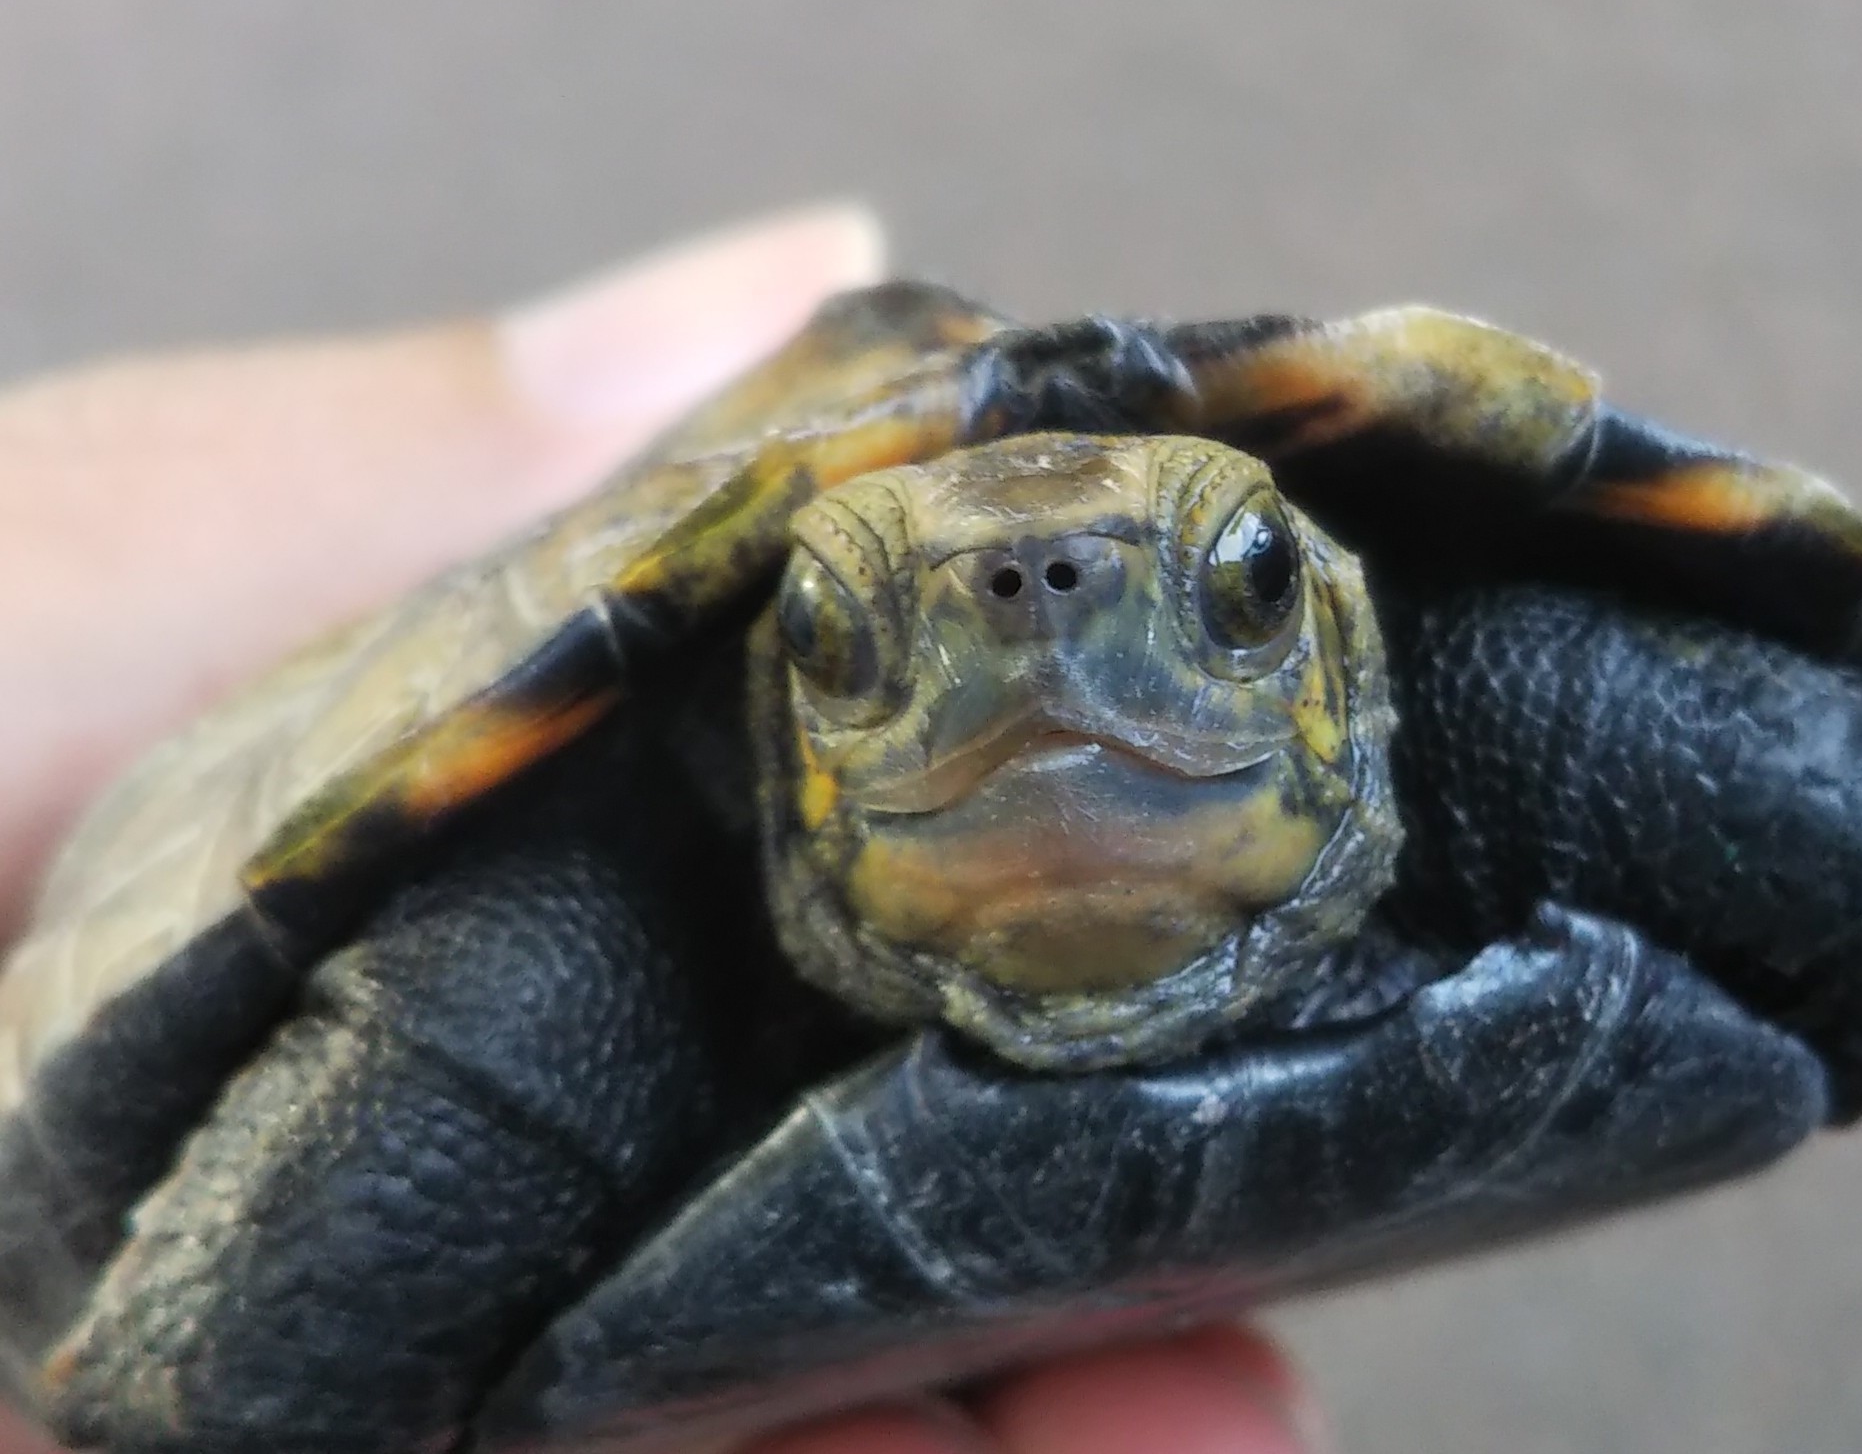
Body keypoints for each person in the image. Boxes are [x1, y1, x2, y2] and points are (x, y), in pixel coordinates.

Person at [0, 206, 1327, 1454]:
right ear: (785, 684)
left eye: (1245, 589)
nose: (1042, 611)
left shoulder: (1509, 680)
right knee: (521, 981)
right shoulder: (559, 954)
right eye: (854, 636)